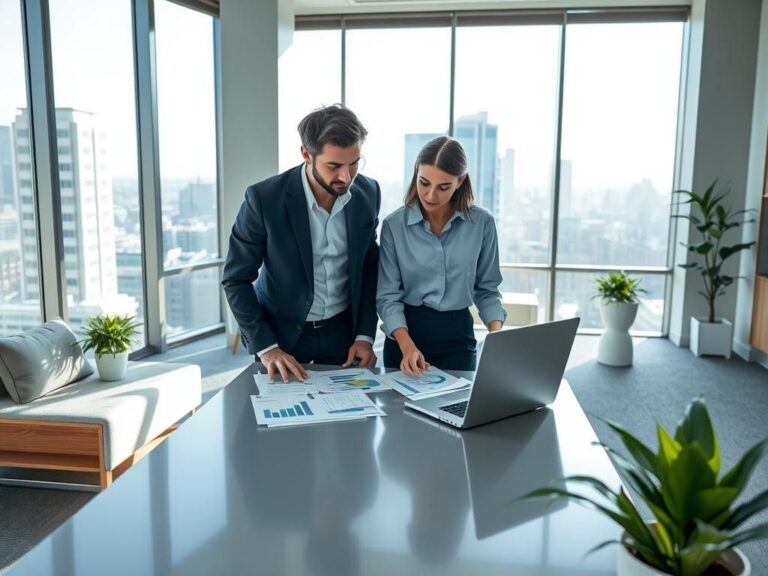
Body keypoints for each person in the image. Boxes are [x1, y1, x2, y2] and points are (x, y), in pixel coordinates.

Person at [222, 105, 380, 382]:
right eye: (334, 166)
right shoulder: (264, 199)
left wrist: (365, 335)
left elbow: (369, 268)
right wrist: (267, 348)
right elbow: (236, 279)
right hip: (280, 338)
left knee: (348, 421)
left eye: (354, 163)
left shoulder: (368, 193)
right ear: (306, 154)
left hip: (343, 335)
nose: (346, 177)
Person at [377, 136, 506, 374]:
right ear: (416, 173)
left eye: (443, 187)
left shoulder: (482, 224)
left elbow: (487, 289)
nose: (430, 195)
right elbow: (387, 296)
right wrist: (407, 346)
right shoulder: (394, 226)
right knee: (399, 410)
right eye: (424, 182)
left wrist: (497, 338)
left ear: (460, 181)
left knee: (458, 409)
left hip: (457, 337)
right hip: (405, 336)